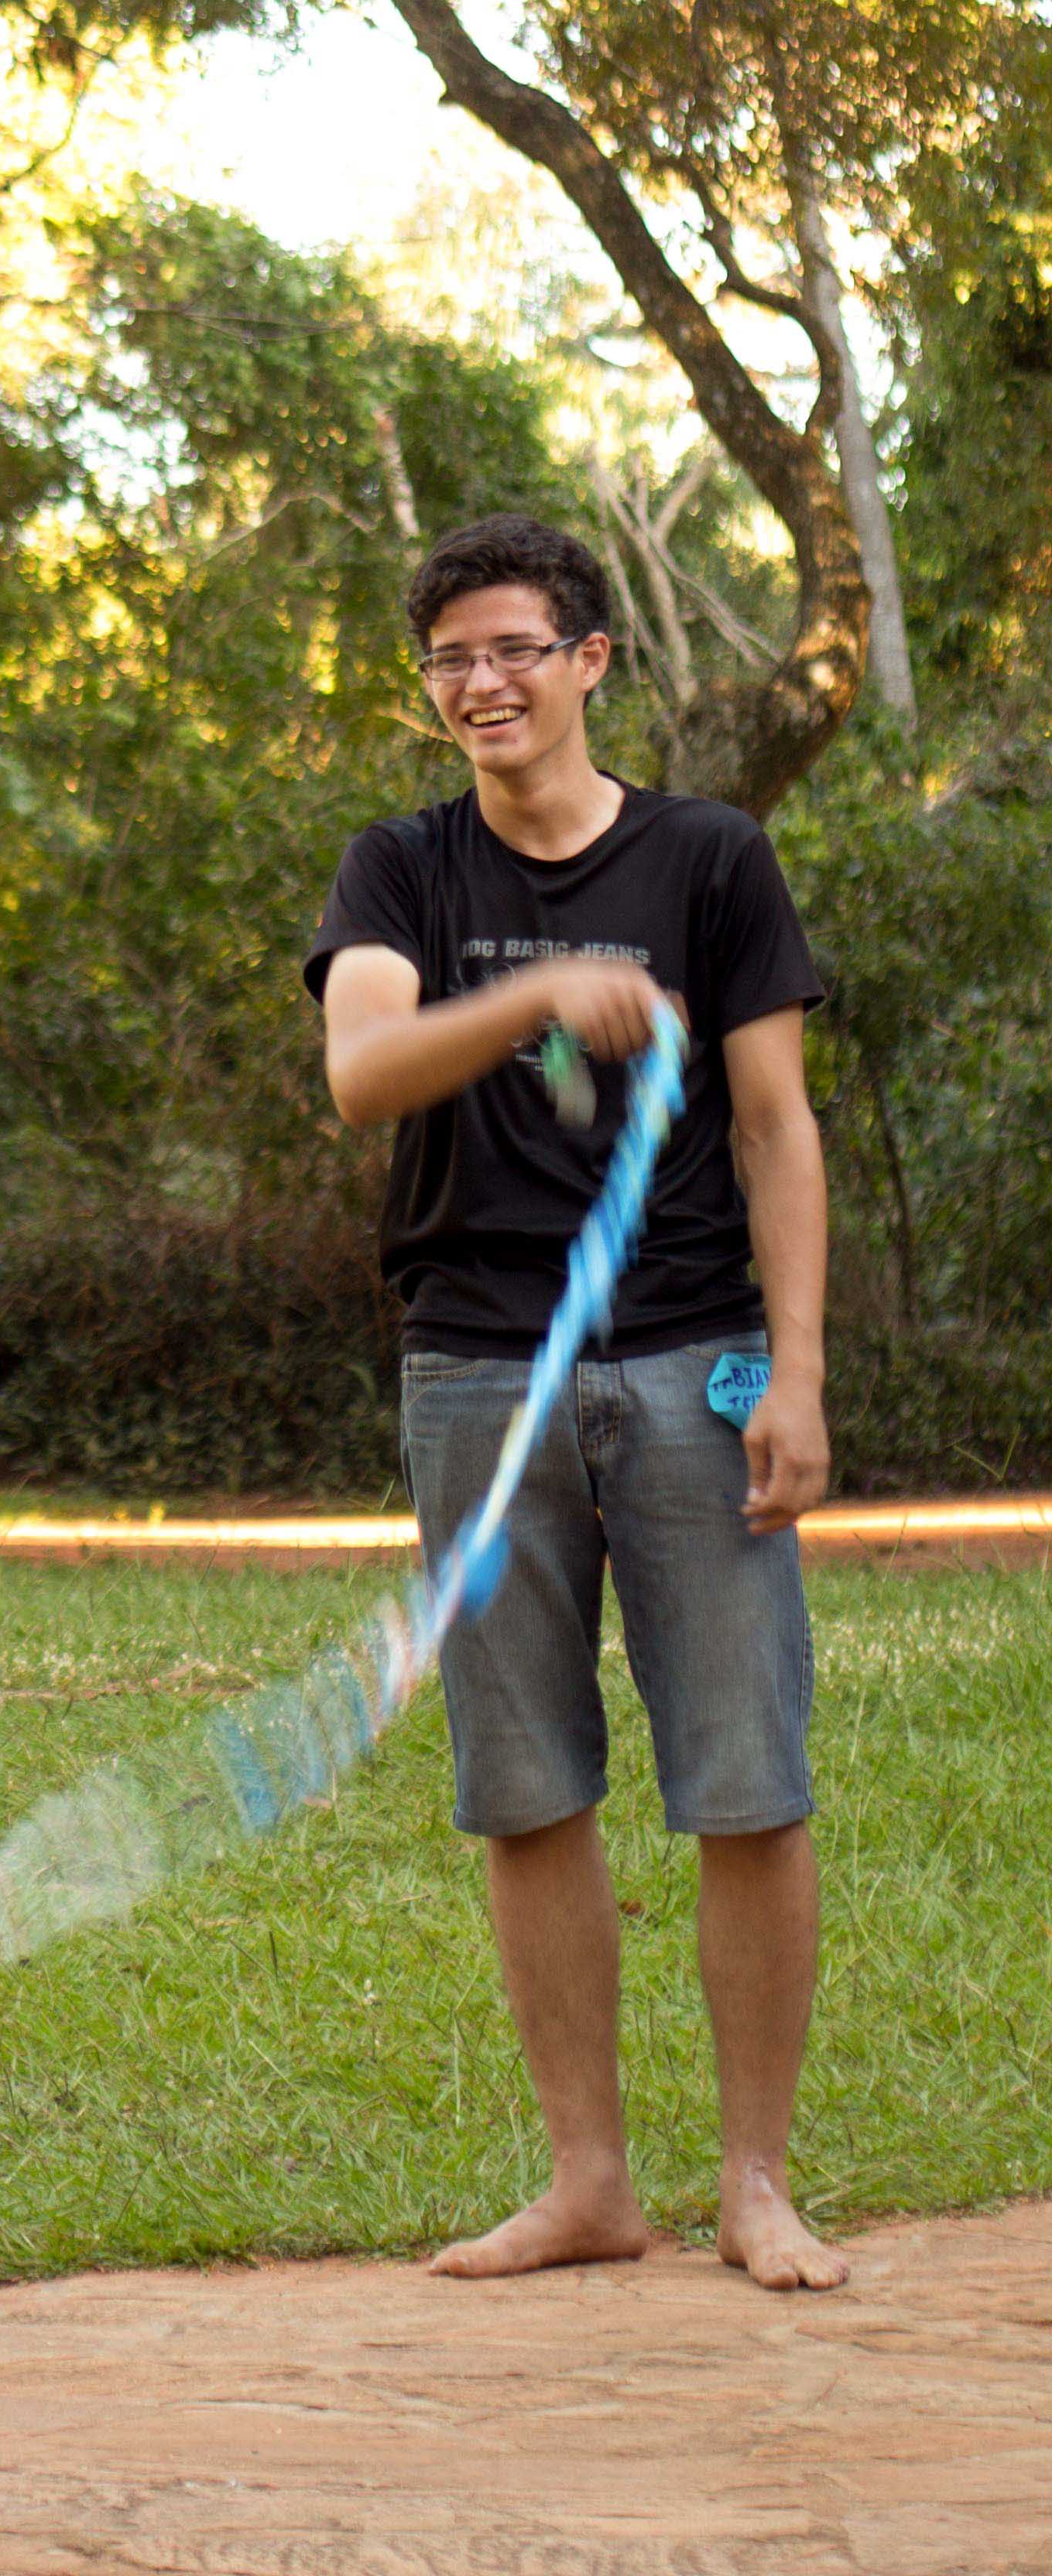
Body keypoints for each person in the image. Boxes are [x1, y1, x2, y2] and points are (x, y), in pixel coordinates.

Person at [307, 512, 846, 2293]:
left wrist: (801, 1374)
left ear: (593, 659)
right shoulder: (401, 873)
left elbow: (774, 1126)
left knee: (746, 1782)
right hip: (479, 1369)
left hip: (696, 1361)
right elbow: (367, 1072)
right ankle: (590, 2184)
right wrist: (541, 986)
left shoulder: (708, 857)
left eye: (517, 647)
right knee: (526, 1784)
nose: (483, 683)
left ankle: (756, 2184)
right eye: (453, 657)